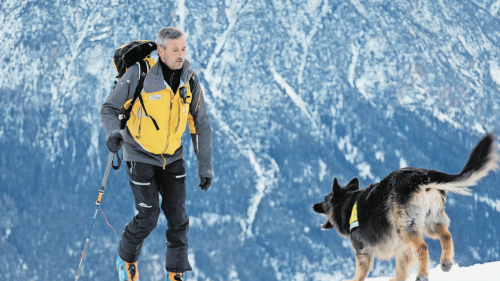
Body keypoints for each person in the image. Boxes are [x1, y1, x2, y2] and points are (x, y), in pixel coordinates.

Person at [100, 27, 213, 281]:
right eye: (175, 50)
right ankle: (126, 260)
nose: (180, 55)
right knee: (148, 216)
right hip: (139, 155)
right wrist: (112, 133)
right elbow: (109, 107)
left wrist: (205, 167)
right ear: (160, 51)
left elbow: (201, 124)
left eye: (183, 49)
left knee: (178, 218)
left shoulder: (189, 81)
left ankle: (175, 274)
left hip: (172, 157)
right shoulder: (139, 73)